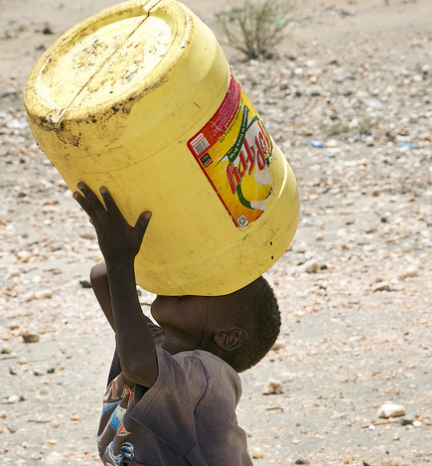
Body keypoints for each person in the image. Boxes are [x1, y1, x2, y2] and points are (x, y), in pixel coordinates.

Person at [72, 182, 280, 465]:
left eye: (206, 285)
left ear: (228, 336)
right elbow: (101, 277)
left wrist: (121, 257)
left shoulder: (207, 375)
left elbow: (136, 365)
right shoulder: (152, 345)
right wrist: (159, 248)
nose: (187, 281)